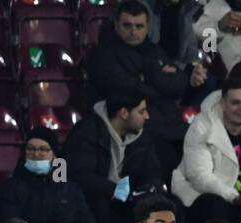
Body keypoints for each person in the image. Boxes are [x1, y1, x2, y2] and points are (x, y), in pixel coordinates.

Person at [83, 0, 209, 176]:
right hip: (132, 124)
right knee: (171, 157)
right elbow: (127, 90)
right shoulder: (104, 55)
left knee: (199, 142)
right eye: (127, 25)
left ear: (147, 27)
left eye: (139, 26)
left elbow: (179, 84)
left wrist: (148, 78)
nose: (133, 31)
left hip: (165, 119)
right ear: (117, 25)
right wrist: (161, 81)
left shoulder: (153, 49)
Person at [63, 88, 166, 223]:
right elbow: (79, 176)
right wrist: (114, 190)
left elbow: (152, 173)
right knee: (99, 203)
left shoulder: (142, 137)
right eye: (142, 111)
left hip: (127, 200)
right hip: (94, 200)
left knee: (165, 204)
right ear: (124, 113)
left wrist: (149, 191)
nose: (147, 116)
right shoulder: (87, 132)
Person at [172, 79, 241, 223]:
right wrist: (238, 199)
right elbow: (199, 177)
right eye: (235, 102)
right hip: (203, 194)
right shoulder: (202, 126)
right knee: (215, 205)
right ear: (223, 104)